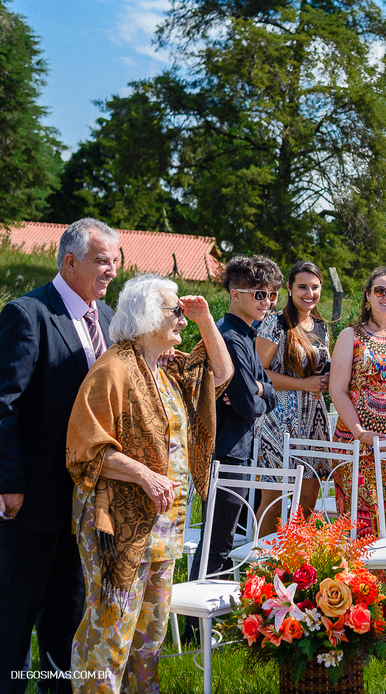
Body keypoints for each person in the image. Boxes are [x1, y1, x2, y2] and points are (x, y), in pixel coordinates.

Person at [65, 276, 232, 693]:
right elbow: (84, 447)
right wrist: (143, 473)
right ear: (148, 316)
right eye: (175, 312)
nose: (182, 320)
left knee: (149, 636)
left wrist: (206, 319)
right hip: (118, 526)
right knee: (111, 630)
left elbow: (222, 374)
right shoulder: (114, 368)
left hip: (163, 525)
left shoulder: (166, 367)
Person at [0, 218, 118, 693]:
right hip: (31, 500)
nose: (112, 270)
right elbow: (4, 404)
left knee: (67, 619)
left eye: (116, 260)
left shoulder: (108, 320)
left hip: (87, 503)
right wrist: (8, 482)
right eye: (102, 260)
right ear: (70, 262)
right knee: (13, 619)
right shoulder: (27, 314)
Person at [189, 256, 281, 583]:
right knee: (216, 545)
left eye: (272, 295)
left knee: (222, 542)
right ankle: (197, 626)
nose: (267, 302)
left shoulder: (246, 337)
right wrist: (257, 392)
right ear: (235, 294)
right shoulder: (229, 337)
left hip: (235, 452)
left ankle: (200, 625)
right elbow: (245, 405)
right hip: (224, 453)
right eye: (259, 294)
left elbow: (268, 395)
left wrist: (258, 388)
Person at [329, 267, 386, 541]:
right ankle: (359, 583)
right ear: (368, 296)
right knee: (358, 523)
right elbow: (337, 390)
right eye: (380, 290)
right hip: (355, 442)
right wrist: (361, 433)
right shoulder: (350, 336)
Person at [254, 261, 331, 526]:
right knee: (274, 504)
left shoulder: (322, 327)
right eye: (302, 287)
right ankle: (262, 565)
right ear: (289, 288)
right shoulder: (275, 323)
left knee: (307, 504)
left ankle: (298, 566)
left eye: (314, 287)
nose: (309, 293)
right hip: (278, 422)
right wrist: (302, 385)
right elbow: (258, 374)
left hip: (314, 423)